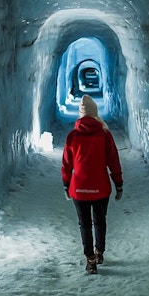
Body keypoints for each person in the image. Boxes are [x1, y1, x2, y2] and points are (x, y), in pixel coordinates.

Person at [61, 95, 123, 274]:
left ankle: (90, 260)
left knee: (85, 224)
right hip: (101, 188)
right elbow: (113, 161)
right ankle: (99, 252)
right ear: (95, 113)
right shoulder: (104, 135)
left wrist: (66, 183)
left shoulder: (73, 136)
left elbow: (66, 163)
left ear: (80, 115)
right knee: (99, 221)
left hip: (79, 189)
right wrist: (118, 183)